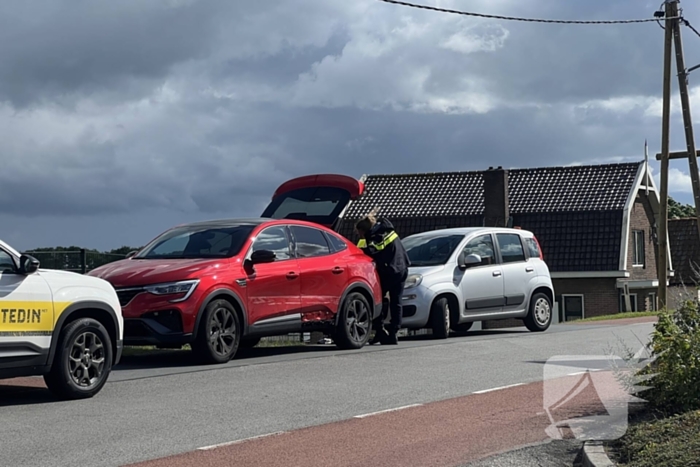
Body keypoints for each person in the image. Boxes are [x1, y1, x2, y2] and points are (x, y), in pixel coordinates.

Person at [355, 213, 410, 345]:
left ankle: (380, 331)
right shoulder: (386, 229)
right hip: (402, 268)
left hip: (390, 271)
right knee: (396, 302)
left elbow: (374, 251)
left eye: (359, 233)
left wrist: (359, 251)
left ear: (363, 230)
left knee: (378, 300)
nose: (359, 236)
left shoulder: (376, 237)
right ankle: (393, 332)